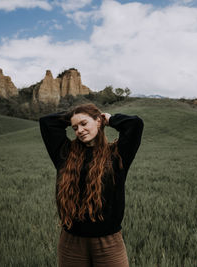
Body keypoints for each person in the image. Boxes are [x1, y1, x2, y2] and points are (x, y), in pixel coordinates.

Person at [39, 103, 143, 267]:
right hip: (71, 242)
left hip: (108, 242)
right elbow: (46, 122)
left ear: (98, 122)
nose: (79, 130)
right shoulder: (64, 153)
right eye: (75, 127)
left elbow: (135, 124)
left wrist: (110, 119)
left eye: (84, 124)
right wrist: (74, 115)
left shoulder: (117, 155)